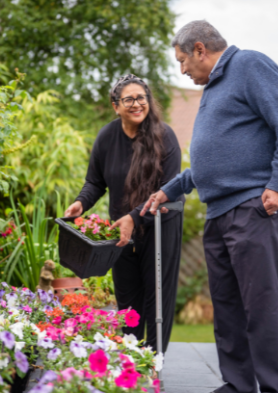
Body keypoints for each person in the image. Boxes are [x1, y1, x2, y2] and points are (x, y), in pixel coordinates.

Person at [142, 21, 278, 393]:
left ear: (200, 49)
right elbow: (209, 161)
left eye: (183, 60)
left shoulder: (249, 66)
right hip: (218, 212)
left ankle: (276, 387)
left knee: (262, 306)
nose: (182, 69)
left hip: (253, 206)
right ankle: (238, 385)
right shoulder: (213, 88)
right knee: (228, 308)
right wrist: (171, 188)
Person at [64, 74, 184, 352]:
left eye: (141, 98)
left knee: (157, 299)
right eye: (128, 99)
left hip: (160, 226)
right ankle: (130, 360)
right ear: (115, 105)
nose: (136, 104)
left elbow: (169, 188)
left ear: (149, 101)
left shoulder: (165, 137)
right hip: (122, 230)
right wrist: (81, 203)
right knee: (128, 300)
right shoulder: (107, 137)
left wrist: (134, 216)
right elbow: (95, 182)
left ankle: (153, 361)